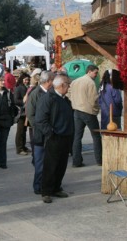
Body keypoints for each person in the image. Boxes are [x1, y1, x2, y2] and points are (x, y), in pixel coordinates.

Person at [35, 74, 74, 203]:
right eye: (68, 85)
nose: (69, 88)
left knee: (61, 165)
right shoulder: (48, 98)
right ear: (62, 85)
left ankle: (56, 188)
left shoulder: (65, 100)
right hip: (54, 137)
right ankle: (46, 191)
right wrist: (50, 133)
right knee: (50, 165)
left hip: (65, 136)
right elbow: (40, 120)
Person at [26, 70, 55, 195]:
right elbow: (30, 114)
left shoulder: (52, 93)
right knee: (39, 162)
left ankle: (49, 184)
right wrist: (40, 128)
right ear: (48, 81)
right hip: (39, 134)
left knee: (50, 162)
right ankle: (38, 185)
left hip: (51, 133)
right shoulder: (35, 93)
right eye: (53, 80)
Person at [69, 64, 102, 168]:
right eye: (95, 73)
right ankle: (99, 160)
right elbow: (94, 100)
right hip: (88, 111)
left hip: (77, 110)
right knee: (96, 136)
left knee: (77, 137)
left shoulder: (75, 81)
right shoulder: (90, 83)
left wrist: (74, 102)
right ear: (89, 71)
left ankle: (76, 161)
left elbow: (68, 93)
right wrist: (96, 109)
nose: (96, 75)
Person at [13, 73, 31, 155]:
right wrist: (24, 103)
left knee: (24, 130)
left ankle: (23, 146)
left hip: (27, 112)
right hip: (21, 113)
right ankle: (19, 148)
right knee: (20, 131)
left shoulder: (28, 87)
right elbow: (16, 100)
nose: (27, 81)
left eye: (28, 80)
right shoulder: (19, 88)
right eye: (25, 80)